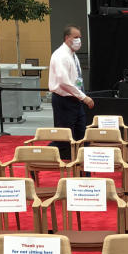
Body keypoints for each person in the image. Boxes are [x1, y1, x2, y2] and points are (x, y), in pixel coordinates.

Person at [48, 25, 94, 161]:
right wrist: (83, 97)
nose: (79, 40)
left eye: (80, 37)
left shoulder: (73, 55)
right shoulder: (60, 55)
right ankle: (39, 156)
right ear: (67, 38)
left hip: (75, 101)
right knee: (64, 139)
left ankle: (83, 169)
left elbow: (76, 80)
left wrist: (80, 96)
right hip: (64, 100)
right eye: (76, 37)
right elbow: (64, 82)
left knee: (81, 135)